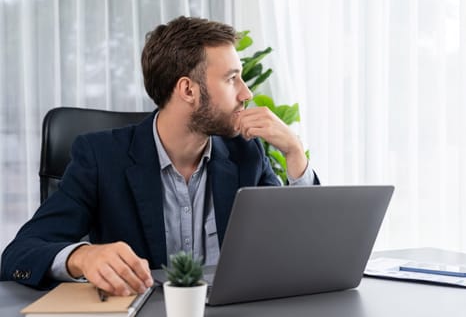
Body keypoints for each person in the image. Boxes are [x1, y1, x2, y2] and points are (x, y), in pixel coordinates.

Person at [1, 16, 319, 296]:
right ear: (188, 90)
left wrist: (293, 152)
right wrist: (83, 257)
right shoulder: (100, 157)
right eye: (231, 78)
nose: (246, 93)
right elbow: (20, 253)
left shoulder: (244, 154)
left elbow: (301, 250)